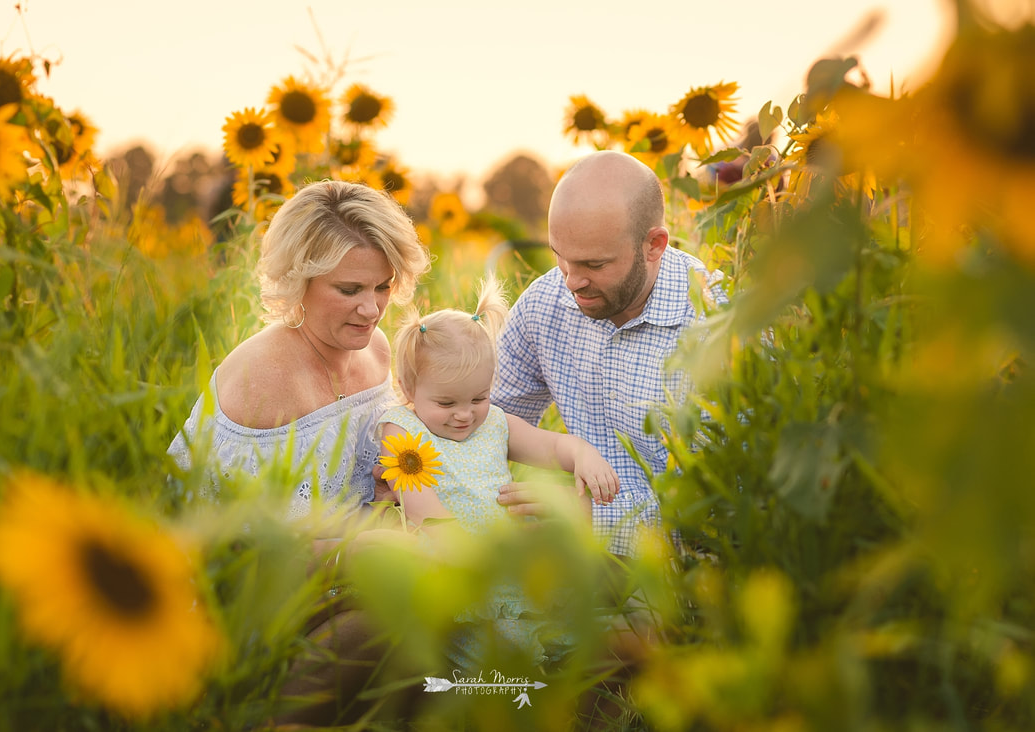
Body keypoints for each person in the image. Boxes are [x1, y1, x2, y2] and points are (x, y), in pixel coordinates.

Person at [166, 179, 431, 725]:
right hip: (251, 610)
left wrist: (395, 500)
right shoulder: (260, 380)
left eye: (382, 286)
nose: (372, 309)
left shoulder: (377, 352)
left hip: (349, 583)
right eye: (349, 289)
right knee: (388, 624)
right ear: (298, 282)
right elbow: (237, 556)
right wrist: (365, 548)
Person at [493, 149, 728, 560]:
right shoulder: (545, 303)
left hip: (686, 583)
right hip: (579, 563)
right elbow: (484, 417)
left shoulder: (716, 326)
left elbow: (719, 514)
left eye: (593, 264)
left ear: (654, 245)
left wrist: (583, 515)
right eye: (559, 256)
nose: (571, 281)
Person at [376, 275, 620, 668]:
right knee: (490, 658)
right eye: (446, 401)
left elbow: (552, 446)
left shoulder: (494, 424)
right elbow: (426, 514)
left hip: (511, 565)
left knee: (570, 640)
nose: (464, 414)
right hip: (454, 568)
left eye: (479, 397)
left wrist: (583, 453)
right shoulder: (401, 431)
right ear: (407, 386)